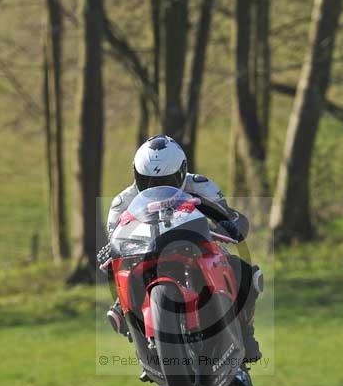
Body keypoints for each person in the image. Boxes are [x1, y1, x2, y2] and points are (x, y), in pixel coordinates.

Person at [104, 135, 262, 362]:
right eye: (147, 181)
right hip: (146, 254)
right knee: (120, 277)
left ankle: (245, 334)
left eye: (166, 181)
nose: (156, 188)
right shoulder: (123, 201)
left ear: (182, 171)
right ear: (136, 175)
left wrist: (231, 225)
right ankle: (138, 333)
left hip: (192, 246)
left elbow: (224, 216)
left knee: (244, 271)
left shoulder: (200, 185)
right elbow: (114, 237)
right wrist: (109, 249)